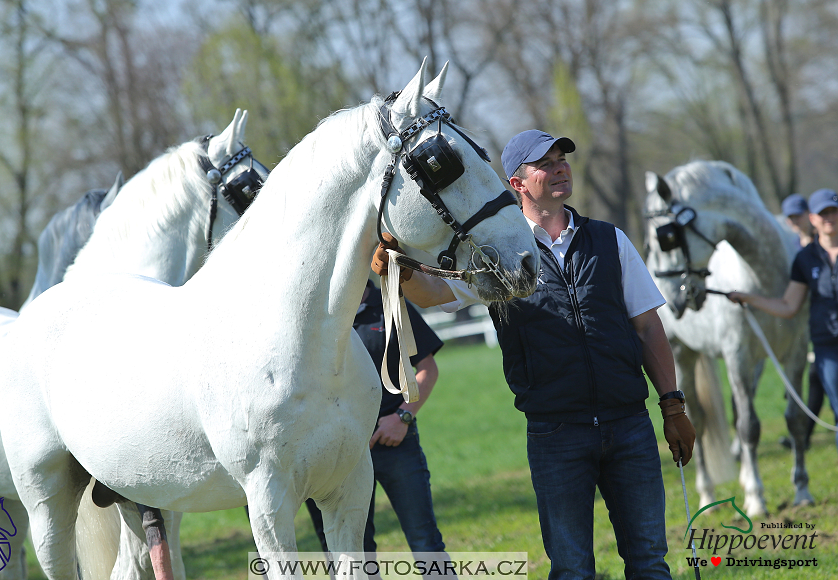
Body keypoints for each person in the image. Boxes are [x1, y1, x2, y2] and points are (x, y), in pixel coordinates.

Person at [373, 130, 695, 580]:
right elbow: (434, 294)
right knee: (572, 569)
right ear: (517, 183)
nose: (561, 168)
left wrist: (673, 404)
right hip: (556, 434)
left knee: (649, 562)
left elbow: (647, 326)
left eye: (562, 159)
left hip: (630, 425)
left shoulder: (610, 240)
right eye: (546, 163)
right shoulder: (496, 254)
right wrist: (397, 268)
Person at [304, 279, 454, 578]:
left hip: (395, 442)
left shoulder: (391, 304)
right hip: (339, 454)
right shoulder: (316, 314)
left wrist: (403, 417)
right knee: (350, 552)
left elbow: (427, 369)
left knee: (426, 542)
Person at [729, 188, 838, 452]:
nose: (829, 218)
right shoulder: (805, 258)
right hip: (827, 348)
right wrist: (749, 298)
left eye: (834, 211)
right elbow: (789, 305)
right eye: (823, 213)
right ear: (812, 218)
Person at [776, 192, 824, 449]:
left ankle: (804, 437)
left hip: (821, 320)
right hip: (800, 320)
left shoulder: (823, 243)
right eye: (790, 217)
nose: (795, 220)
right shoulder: (789, 247)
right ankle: (803, 437)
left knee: (817, 376)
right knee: (814, 376)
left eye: (799, 215)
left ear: (809, 215)